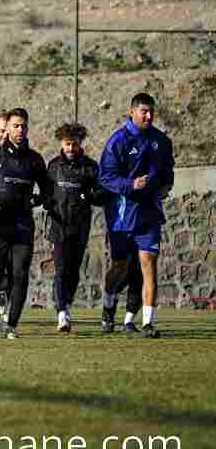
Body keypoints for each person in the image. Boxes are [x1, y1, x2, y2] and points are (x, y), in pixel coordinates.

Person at [99, 93, 173, 338]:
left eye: (151, 111)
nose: (148, 116)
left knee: (148, 264)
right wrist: (131, 185)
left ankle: (148, 323)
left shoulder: (161, 140)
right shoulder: (118, 140)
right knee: (120, 267)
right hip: (122, 215)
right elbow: (106, 178)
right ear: (131, 111)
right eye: (143, 111)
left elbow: (167, 173)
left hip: (149, 213)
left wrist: (164, 187)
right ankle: (109, 305)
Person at [0, 107, 51, 339]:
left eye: (23, 126)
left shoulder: (34, 160)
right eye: (15, 126)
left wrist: (37, 199)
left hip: (22, 225)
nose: (20, 130)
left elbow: (48, 190)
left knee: (19, 274)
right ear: (8, 129)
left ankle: (11, 325)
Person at [45, 123, 105, 333]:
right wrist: (47, 204)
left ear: (80, 144)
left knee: (73, 271)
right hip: (58, 226)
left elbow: (102, 195)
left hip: (80, 227)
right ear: (61, 143)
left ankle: (67, 303)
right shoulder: (53, 166)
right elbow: (46, 193)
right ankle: (62, 313)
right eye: (67, 144)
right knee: (61, 269)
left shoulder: (90, 167)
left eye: (74, 144)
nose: (71, 148)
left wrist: (88, 195)